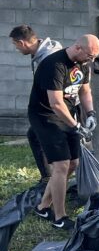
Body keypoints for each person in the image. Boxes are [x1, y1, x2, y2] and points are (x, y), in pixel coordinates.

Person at [28, 34, 99, 230]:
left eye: (94, 57)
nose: (91, 60)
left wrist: (91, 113)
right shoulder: (54, 64)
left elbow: (85, 91)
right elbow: (56, 103)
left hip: (68, 114)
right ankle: (59, 218)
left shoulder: (83, 64)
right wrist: (76, 126)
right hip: (46, 116)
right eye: (89, 56)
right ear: (78, 47)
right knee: (61, 165)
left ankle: (43, 206)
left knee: (73, 164)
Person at [10, 25, 63, 184]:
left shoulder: (48, 57)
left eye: (15, 44)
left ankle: (51, 179)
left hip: (57, 106)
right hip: (53, 105)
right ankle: (50, 177)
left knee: (42, 138)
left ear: (22, 42)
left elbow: (57, 86)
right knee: (35, 135)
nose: (16, 49)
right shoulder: (45, 50)